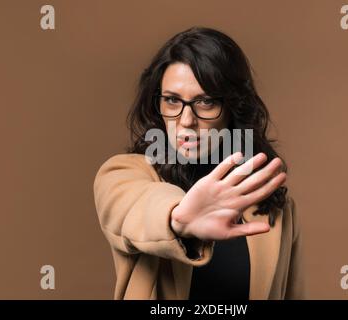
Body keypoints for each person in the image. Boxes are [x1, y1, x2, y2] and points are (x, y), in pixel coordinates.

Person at [93, 26, 305, 300]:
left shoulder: (277, 205)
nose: (186, 121)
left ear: (233, 107)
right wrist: (179, 218)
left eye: (205, 102)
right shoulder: (124, 174)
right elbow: (134, 206)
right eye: (171, 100)